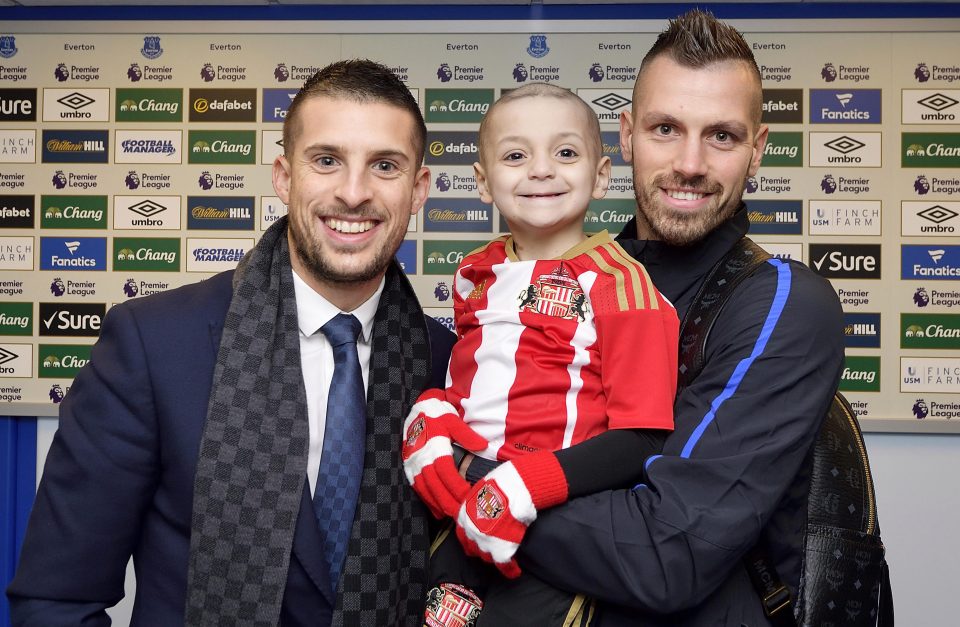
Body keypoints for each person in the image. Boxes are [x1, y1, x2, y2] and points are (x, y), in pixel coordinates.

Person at [425, 10, 846, 626]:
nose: (691, 163)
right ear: (626, 136)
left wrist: (463, 475)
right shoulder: (561, 278)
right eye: (665, 129)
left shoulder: (783, 303)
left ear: (758, 150)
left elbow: (667, 553)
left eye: (722, 136)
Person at [7, 59, 455, 627]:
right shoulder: (153, 344)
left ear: (418, 190)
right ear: (285, 176)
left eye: (384, 166)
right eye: (326, 160)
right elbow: (56, 602)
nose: (353, 192)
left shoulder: (447, 362)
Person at [401, 84, 678, 626]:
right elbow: (472, 386)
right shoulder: (473, 273)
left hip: (550, 525)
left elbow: (644, 437)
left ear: (601, 175)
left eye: (566, 152)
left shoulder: (624, 286)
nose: (541, 170)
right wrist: (430, 418)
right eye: (515, 155)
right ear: (483, 182)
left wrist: (525, 486)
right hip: (459, 508)